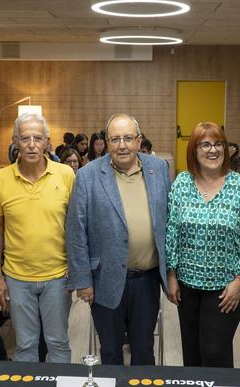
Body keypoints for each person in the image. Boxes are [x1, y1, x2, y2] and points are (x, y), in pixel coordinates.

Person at [66, 113, 170, 365]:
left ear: (139, 140)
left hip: (147, 279)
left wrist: (173, 273)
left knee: (144, 349)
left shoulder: (159, 169)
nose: (122, 145)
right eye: (115, 139)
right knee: (110, 351)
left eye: (128, 138)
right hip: (104, 280)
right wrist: (82, 281)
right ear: (106, 142)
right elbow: (76, 231)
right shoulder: (88, 175)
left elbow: (169, 221)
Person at [165, 122, 240, 368]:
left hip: (226, 288)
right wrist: (172, 274)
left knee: (215, 352)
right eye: (205, 144)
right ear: (194, 150)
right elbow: (171, 229)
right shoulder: (182, 183)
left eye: (219, 143)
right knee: (192, 353)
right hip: (187, 286)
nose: (213, 150)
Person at [0, 113, 75, 363]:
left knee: (58, 343)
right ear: (15, 141)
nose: (31, 144)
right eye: (25, 138)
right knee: (25, 346)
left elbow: (76, 227)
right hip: (17, 278)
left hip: (58, 277)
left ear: (48, 142)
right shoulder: (0, 179)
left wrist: (76, 267)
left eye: (38, 138)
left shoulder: (66, 175)